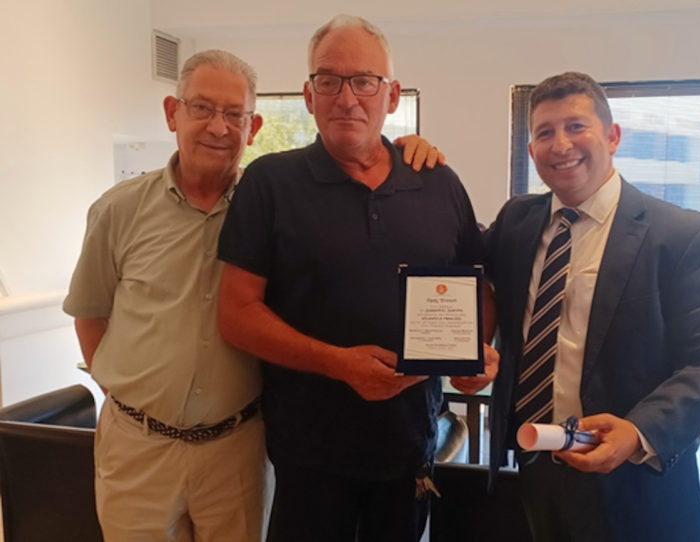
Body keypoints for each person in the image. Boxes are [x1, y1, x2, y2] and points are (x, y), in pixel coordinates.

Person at [63, 48, 440, 541]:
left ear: (254, 126)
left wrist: (399, 151)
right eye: (202, 108)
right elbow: (91, 315)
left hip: (237, 449)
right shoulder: (118, 210)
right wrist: (131, 402)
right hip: (138, 448)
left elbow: (352, 173)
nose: (218, 127)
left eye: (234, 114)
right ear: (173, 113)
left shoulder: (276, 203)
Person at [216, 15, 497, 542]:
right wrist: (338, 364)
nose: (347, 98)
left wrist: (474, 355)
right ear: (309, 95)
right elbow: (236, 314)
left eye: (365, 81)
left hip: (410, 451)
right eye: (329, 80)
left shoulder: (438, 182)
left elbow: (476, 286)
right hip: (308, 458)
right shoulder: (269, 183)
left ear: (392, 95)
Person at [484, 72, 700, 542]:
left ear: (613, 137)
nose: (561, 144)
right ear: (532, 151)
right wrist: (413, 163)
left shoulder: (681, 236)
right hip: (537, 468)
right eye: (545, 132)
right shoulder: (515, 222)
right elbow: (459, 273)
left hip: (636, 486)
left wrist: (638, 431)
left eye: (576, 126)